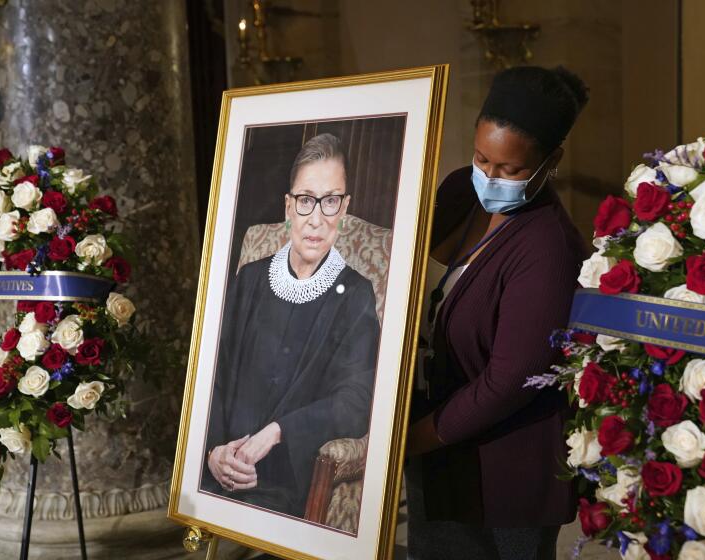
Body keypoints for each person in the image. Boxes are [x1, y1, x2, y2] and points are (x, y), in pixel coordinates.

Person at [405, 66, 590, 559]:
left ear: (552, 162)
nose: (490, 177)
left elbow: (510, 380)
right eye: (481, 158)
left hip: (505, 473)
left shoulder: (547, 247)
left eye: (510, 170)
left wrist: (412, 440)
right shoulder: (460, 195)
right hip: (442, 449)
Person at [202, 132, 380, 519]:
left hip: (289, 484)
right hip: (218, 471)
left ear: (344, 208)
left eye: (330, 201)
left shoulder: (356, 295)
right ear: (288, 207)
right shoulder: (249, 279)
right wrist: (214, 450)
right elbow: (214, 370)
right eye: (305, 200)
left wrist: (275, 432)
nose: (316, 218)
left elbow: (355, 402)